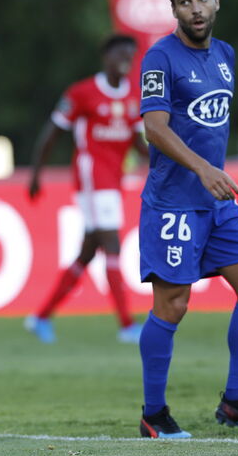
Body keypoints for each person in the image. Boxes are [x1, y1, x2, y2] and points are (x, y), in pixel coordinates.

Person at [136, 0, 238, 438]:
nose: (195, 9)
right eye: (185, 2)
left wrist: (210, 175)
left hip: (217, 203)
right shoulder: (160, 57)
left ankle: (236, 402)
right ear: (173, 8)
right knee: (172, 306)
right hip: (175, 205)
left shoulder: (225, 54)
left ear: (217, 1)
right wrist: (203, 168)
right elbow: (154, 128)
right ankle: (153, 414)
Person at [25, 35, 148, 344]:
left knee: (88, 252)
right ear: (106, 56)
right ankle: (126, 325)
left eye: (130, 56)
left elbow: (137, 142)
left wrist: (166, 161)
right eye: (121, 54)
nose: (126, 60)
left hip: (113, 181)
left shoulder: (134, 96)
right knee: (112, 244)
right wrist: (36, 174)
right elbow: (52, 132)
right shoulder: (83, 93)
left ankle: (40, 318)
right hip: (93, 179)